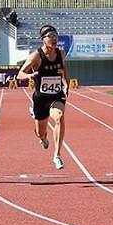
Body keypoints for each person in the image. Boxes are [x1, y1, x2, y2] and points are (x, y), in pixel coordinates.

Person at [17, 25, 69, 170]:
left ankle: (57, 155)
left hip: (56, 96)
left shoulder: (61, 53)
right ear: (43, 40)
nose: (54, 39)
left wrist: (65, 83)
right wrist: (29, 75)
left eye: (55, 36)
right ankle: (43, 138)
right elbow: (19, 74)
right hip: (40, 99)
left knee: (59, 117)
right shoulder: (36, 56)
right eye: (50, 36)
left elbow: (63, 69)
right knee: (40, 132)